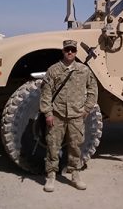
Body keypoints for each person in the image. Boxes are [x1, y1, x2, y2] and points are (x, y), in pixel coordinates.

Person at [40, 39, 98, 192]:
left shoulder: (83, 70)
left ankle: (75, 174)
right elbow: (45, 94)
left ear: (76, 52)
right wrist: (48, 113)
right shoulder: (53, 70)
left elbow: (93, 90)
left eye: (73, 50)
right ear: (63, 51)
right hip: (57, 114)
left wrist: (86, 109)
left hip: (76, 114)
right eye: (67, 50)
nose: (70, 52)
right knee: (53, 145)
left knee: (75, 146)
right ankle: (51, 175)